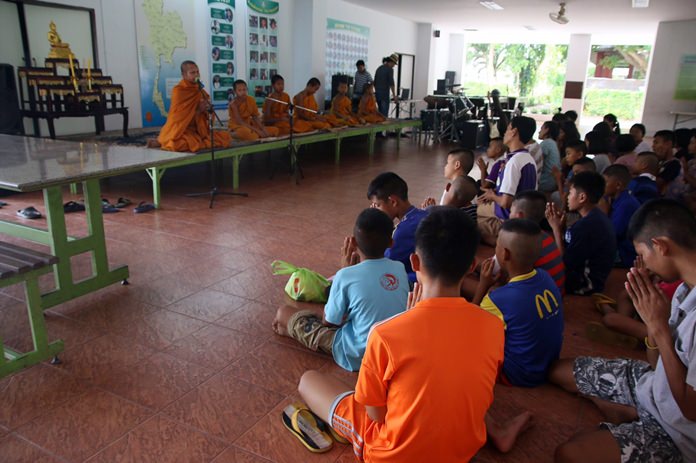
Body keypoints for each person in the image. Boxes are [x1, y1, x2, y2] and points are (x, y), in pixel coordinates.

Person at [296, 207, 506, 462]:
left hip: (391, 453)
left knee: (308, 380)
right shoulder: (493, 326)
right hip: (462, 450)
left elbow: (376, 415)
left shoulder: (386, 334)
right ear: (472, 265)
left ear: (415, 262)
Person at [550, 199, 696, 463]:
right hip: (654, 387)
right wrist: (653, 328)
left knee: (569, 455)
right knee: (557, 371)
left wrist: (659, 328)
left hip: (680, 431)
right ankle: (630, 409)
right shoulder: (685, 287)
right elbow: (656, 363)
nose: (643, 264)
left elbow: (690, 408)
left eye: (643, 253)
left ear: (661, 246)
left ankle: (630, 412)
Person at [272, 208, 408, 372]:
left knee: (283, 312)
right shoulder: (399, 268)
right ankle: (289, 329)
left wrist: (342, 272)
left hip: (360, 355)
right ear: (391, 242)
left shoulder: (346, 275)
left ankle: (290, 328)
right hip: (394, 351)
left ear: (354, 243)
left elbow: (329, 322)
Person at [473, 219, 564, 387]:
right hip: (547, 363)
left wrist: (482, 286)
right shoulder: (545, 277)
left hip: (519, 374)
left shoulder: (497, 300)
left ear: (505, 254)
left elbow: (469, 324)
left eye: (497, 245)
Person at [546, 171, 617, 295]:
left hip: (587, 283)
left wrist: (556, 230)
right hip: (596, 276)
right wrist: (562, 229)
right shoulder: (595, 217)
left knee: (540, 273)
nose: (567, 196)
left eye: (571, 192)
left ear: (582, 197)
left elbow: (563, 263)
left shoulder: (586, 226)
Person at [478, 116, 538, 246]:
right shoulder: (528, 158)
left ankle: (507, 242)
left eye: (507, 129)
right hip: (524, 215)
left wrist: (492, 195)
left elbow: (506, 203)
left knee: (470, 221)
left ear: (514, 131)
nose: (504, 133)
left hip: (508, 217)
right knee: (478, 208)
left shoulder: (514, 162)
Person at [154, 61, 231, 152]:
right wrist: (198, 110)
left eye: (197, 72)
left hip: (198, 131)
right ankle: (164, 140)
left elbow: (208, 117)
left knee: (226, 137)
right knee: (175, 144)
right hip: (182, 130)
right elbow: (178, 118)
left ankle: (163, 141)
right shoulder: (179, 91)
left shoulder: (199, 90)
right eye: (192, 73)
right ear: (184, 75)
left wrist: (208, 110)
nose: (196, 75)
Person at [367, 172, 428, 284]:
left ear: (393, 201)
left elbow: (382, 264)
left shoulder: (402, 232)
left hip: (418, 281)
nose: (375, 210)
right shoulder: (423, 214)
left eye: (377, 205)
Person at [510, 190, 566, 294]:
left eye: (510, 211)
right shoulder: (547, 237)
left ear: (519, 216)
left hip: (538, 300)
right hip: (556, 296)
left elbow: (501, 274)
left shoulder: (521, 243)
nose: (509, 215)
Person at [601, 165, 641, 268]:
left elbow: (612, 234)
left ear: (618, 185)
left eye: (605, 182)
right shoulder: (618, 200)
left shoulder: (626, 204)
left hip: (626, 253)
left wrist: (605, 213)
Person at [538, 121, 562, 194]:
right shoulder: (552, 143)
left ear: (547, 129)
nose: (539, 132)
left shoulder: (546, 143)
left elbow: (536, 160)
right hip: (552, 181)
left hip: (546, 181)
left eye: (541, 128)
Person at [373, 53, 399, 117]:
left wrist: (377, 90)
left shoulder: (379, 68)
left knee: (379, 115)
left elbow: (374, 82)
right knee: (384, 116)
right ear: (391, 62)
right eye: (394, 64)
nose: (394, 66)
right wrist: (394, 96)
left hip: (377, 95)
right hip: (384, 96)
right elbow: (391, 83)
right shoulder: (390, 70)